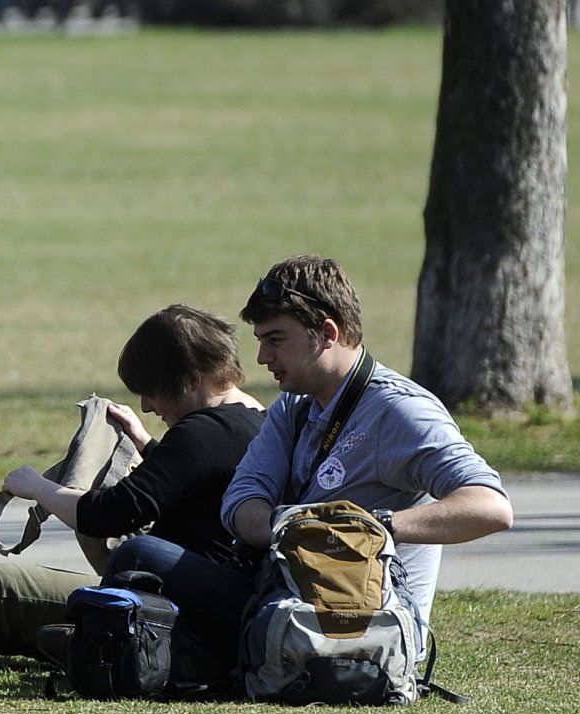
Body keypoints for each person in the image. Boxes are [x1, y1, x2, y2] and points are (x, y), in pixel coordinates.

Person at [0, 303, 265, 657]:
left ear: (191, 379)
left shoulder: (205, 432)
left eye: (152, 391)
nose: (146, 406)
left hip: (166, 619)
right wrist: (147, 444)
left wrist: (38, 487)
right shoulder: (254, 421)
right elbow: (195, 482)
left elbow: (108, 514)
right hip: (200, 614)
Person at [217, 255, 511, 642]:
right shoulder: (293, 404)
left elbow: (491, 508)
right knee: (150, 566)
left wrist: (373, 527)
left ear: (327, 333)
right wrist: (294, 527)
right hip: (289, 600)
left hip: (366, 626)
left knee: (143, 562)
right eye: (261, 341)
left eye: (275, 340)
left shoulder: (399, 410)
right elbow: (241, 501)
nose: (263, 358)